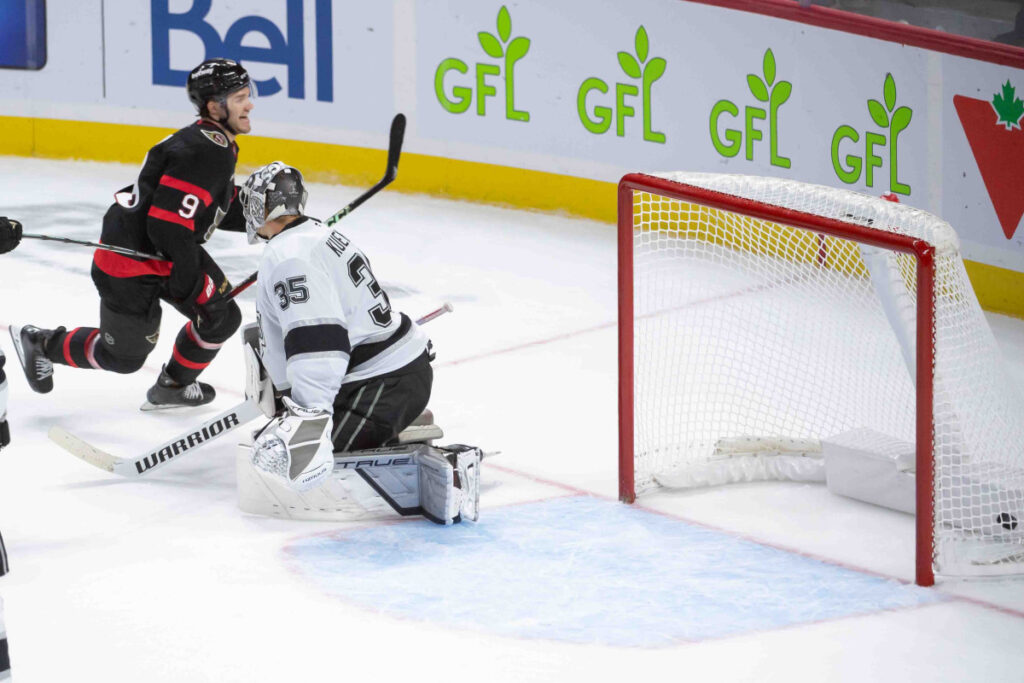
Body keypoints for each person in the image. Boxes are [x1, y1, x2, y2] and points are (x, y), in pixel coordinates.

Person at [8, 58, 254, 410]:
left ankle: (172, 386)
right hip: (129, 262)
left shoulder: (212, 142)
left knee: (222, 316)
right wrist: (187, 279)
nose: (250, 104)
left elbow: (204, 205)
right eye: (241, 97)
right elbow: (167, 225)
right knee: (123, 358)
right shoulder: (206, 150)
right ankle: (42, 343)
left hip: (164, 252)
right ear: (216, 106)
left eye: (248, 95)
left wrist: (267, 221)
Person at [239, 162, 434, 490]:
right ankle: (400, 423)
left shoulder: (289, 255)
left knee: (278, 467)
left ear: (262, 206)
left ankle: (403, 441)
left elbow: (320, 345)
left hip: (382, 384)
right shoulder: (313, 235)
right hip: (382, 376)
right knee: (274, 447)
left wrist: (309, 418)